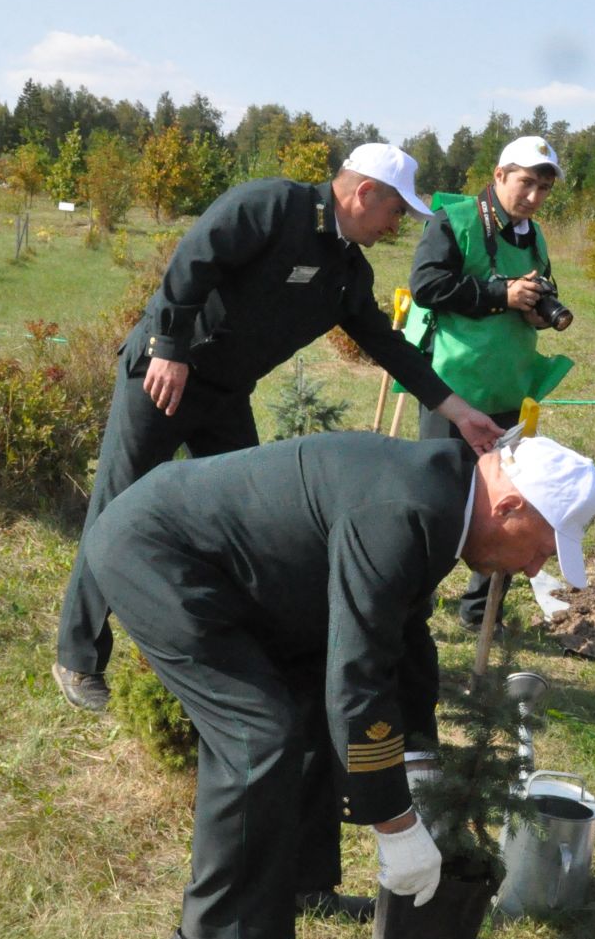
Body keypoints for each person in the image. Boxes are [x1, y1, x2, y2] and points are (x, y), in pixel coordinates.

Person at [83, 430, 595, 939]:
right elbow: (357, 682)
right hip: (161, 555)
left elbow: (401, 637)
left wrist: (419, 760)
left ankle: (300, 884)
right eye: (540, 548)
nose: (536, 567)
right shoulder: (407, 508)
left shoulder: (445, 495)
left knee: (306, 703)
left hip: (246, 572)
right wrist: (395, 825)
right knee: (257, 735)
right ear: (509, 507)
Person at [53, 143, 505, 715]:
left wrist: (457, 411)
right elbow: (194, 258)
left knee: (249, 519)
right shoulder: (269, 205)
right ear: (364, 193)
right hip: (163, 375)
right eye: (396, 212)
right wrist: (168, 346)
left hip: (225, 395)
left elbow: (387, 346)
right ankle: (78, 655)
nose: (396, 226)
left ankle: (235, 644)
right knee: (119, 501)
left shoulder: (346, 272)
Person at [403, 135, 576, 626]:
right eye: (526, 183)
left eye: (544, 188)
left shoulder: (534, 235)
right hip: (453, 389)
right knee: (436, 499)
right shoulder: (454, 220)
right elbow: (427, 286)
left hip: (509, 388)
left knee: (505, 505)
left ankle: (482, 611)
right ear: (499, 175)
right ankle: (411, 601)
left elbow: (542, 292)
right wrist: (501, 294)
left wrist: (539, 314)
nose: (534, 196)